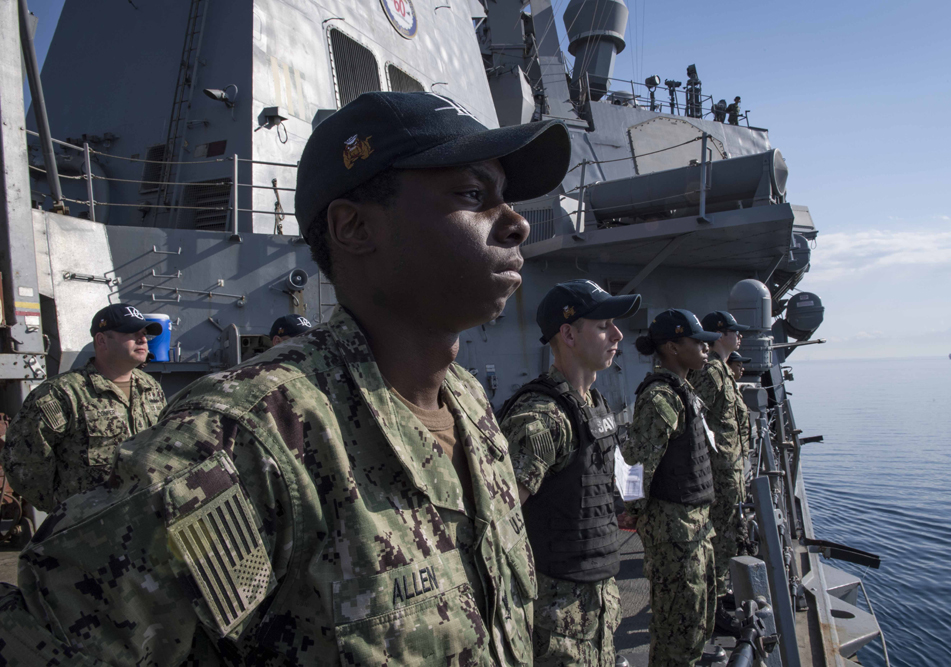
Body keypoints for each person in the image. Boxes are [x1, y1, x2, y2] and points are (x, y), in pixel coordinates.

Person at [0, 91, 572, 665]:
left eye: (506, 198)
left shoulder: (468, 402)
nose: (517, 223)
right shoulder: (250, 438)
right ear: (354, 227)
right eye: (473, 195)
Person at [498, 280, 641, 666]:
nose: (617, 335)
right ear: (569, 335)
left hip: (597, 608)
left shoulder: (595, 403)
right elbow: (498, 522)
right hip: (557, 620)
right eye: (603, 326)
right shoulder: (542, 418)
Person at [622, 310, 721, 667]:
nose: (706, 348)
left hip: (695, 526)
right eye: (697, 342)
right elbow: (637, 465)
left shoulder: (683, 390)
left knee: (697, 623)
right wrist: (632, 511)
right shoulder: (660, 396)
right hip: (674, 532)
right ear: (672, 347)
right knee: (677, 632)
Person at [0, 304, 166, 512]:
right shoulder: (61, 392)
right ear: (102, 340)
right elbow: (23, 461)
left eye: (144, 333)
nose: (142, 339)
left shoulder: (151, 388)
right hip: (88, 521)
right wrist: (63, 510)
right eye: (131, 332)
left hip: (144, 514)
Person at [689, 311, 750, 632]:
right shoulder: (711, 373)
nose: (739, 336)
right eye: (734, 331)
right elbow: (692, 420)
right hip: (718, 473)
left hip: (730, 472)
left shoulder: (723, 371)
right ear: (719, 334)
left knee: (726, 538)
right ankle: (711, 610)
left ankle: (719, 596)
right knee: (717, 541)